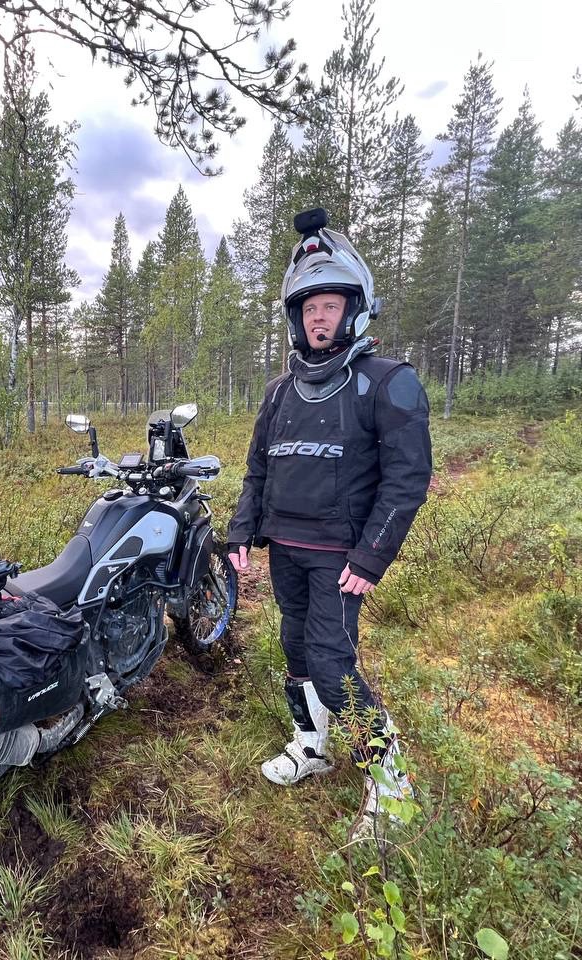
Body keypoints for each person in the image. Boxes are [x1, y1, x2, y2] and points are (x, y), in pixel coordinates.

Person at [225, 209, 432, 836]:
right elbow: (258, 466)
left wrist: (371, 558)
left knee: (334, 664)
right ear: (297, 315)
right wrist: (241, 532)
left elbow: (407, 481)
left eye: (331, 304)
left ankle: (391, 782)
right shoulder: (279, 390)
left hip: (340, 558)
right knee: (294, 651)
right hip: (285, 548)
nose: (320, 317)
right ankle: (311, 747)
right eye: (309, 307)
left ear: (355, 308)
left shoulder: (388, 382)